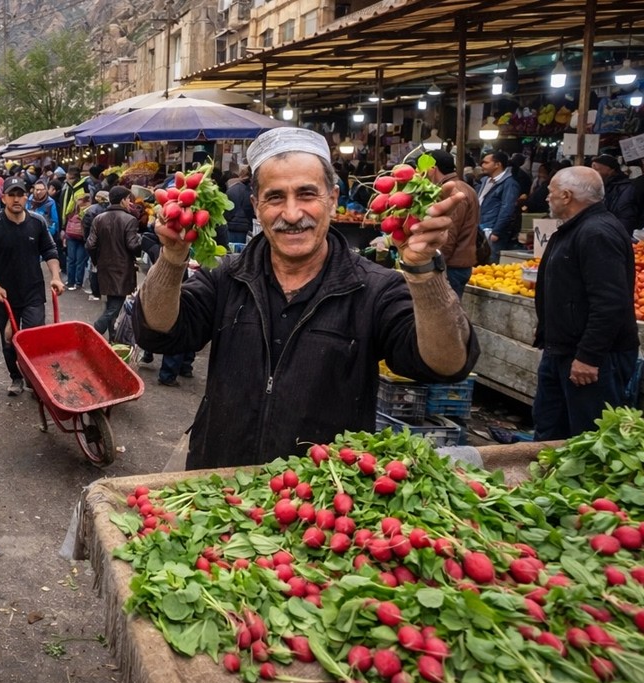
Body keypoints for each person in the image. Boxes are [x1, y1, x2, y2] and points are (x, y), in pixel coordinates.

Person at [133, 126, 478, 469]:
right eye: (275, 197)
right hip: (222, 486)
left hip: (323, 503)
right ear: (255, 206)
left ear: (332, 197)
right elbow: (159, 331)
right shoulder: (227, 277)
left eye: (307, 194)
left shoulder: (376, 288)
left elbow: (445, 364)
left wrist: (424, 273)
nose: (293, 214)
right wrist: (172, 257)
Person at [532, 166, 639, 441]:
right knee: (550, 432)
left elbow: (610, 302)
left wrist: (588, 356)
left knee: (587, 440)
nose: (547, 198)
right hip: (562, 351)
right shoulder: (574, 229)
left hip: (592, 360)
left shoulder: (596, 233)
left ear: (566, 196)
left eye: (551, 192)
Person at [0, 177, 65, 397]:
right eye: (11, 195)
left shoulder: (38, 222)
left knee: (34, 338)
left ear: (27, 196)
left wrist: (55, 276)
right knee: (9, 341)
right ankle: (16, 377)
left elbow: (50, 251)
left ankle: (35, 380)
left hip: (32, 290)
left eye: (20, 194)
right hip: (2, 294)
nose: (16, 199)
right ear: (3, 197)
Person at [86, 185, 143, 337]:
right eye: (128, 199)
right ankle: (94, 332)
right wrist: (141, 242)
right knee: (114, 307)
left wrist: (97, 261)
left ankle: (113, 338)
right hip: (122, 269)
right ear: (123, 200)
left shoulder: (99, 219)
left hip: (104, 268)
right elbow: (133, 245)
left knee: (111, 303)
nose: (129, 202)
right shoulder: (130, 220)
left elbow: (90, 244)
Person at [425, 150, 480, 298]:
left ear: (433, 169)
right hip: (459, 263)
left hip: (452, 266)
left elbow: (449, 233)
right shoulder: (465, 187)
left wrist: (437, 266)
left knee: (445, 314)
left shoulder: (453, 191)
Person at [477, 151, 521, 263]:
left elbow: (507, 208)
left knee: (491, 264)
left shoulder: (509, 183)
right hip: (480, 229)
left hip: (492, 230)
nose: (482, 165)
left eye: (486, 163)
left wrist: (496, 232)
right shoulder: (484, 181)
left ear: (497, 165)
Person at [590, 155, 637, 233]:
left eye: (596, 169)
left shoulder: (626, 188)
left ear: (611, 170)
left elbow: (626, 217)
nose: (593, 173)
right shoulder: (598, 186)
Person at [27, 179, 61, 269]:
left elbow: (55, 220)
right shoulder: (29, 200)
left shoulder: (50, 202)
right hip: (29, 232)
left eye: (40, 190)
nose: (38, 192)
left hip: (45, 233)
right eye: (36, 189)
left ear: (45, 190)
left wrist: (51, 232)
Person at [63, 194, 92, 291]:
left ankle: (73, 281)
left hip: (75, 237)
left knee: (74, 260)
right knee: (77, 260)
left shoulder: (79, 210)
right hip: (78, 237)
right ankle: (75, 282)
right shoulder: (85, 210)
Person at [225, 166, 254, 245]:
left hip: (231, 228)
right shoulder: (252, 192)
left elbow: (226, 210)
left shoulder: (231, 189)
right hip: (246, 229)